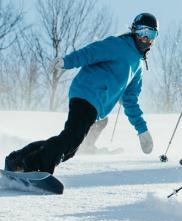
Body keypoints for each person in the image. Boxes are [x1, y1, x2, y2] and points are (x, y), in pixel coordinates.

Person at [4, 13, 159, 174]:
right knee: (71, 139)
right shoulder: (118, 45)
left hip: (95, 105)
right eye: (142, 33)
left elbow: (130, 101)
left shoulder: (137, 69)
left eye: (151, 35)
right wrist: (67, 61)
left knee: (70, 147)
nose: (146, 39)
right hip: (87, 93)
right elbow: (91, 53)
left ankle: (19, 161)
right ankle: (37, 166)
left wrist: (142, 130)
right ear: (134, 31)